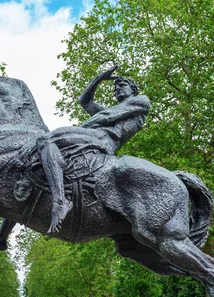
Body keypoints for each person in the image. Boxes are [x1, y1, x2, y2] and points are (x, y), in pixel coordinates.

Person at [36, 65, 150, 233]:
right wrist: (98, 79)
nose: (116, 89)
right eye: (114, 88)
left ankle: (60, 201)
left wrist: (78, 129)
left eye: (121, 85)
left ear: (133, 89)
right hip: (92, 136)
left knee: (46, 140)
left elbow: (107, 117)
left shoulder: (141, 100)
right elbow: (84, 102)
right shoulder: (112, 110)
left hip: (103, 141)